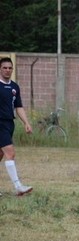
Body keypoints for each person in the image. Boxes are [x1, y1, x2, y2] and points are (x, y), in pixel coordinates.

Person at [0, 57, 33, 197]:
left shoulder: (14, 87)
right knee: (10, 153)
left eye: (10, 68)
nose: (7, 70)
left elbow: (18, 106)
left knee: (1, 155)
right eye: (4, 68)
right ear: (0, 69)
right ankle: (18, 186)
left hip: (9, 123)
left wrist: (26, 122)